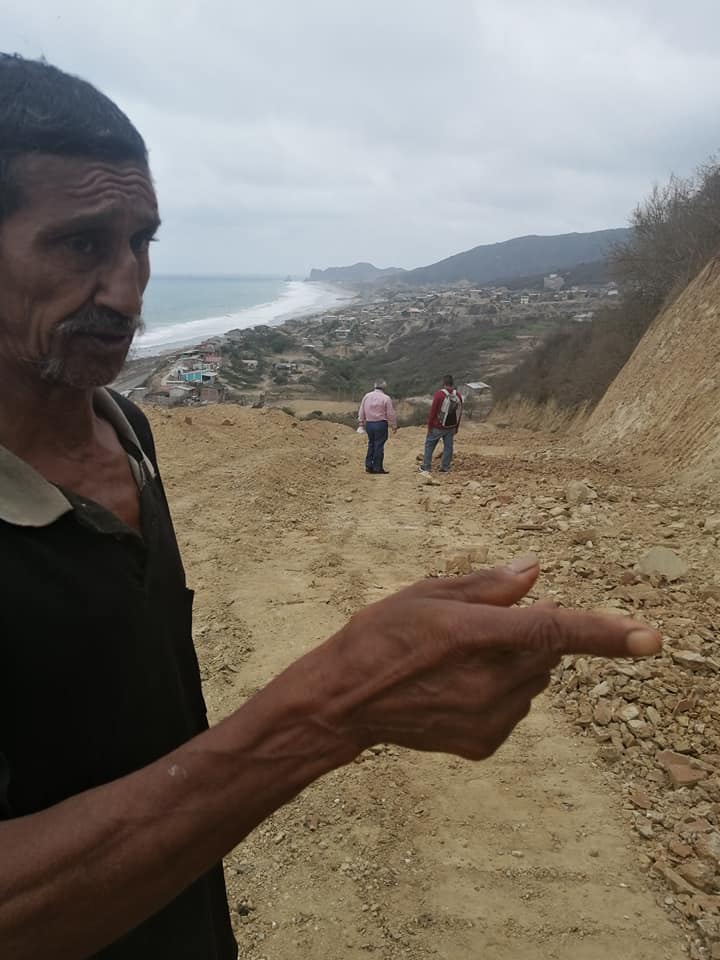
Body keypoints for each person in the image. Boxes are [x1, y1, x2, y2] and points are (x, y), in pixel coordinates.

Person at [0, 54, 663, 960]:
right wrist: (329, 708)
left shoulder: (131, 435)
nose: (127, 288)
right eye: (82, 244)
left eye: (141, 242)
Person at [420, 374, 463, 474]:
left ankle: (426, 467)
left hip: (437, 426)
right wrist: (456, 427)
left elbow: (433, 412)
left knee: (429, 445)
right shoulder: (458, 396)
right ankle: (445, 467)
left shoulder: (439, 394)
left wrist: (430, 426)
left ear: (444, 383)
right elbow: (459, 413)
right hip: (451, 426)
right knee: (448, 447)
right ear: (452, 383)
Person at [357, 379, 397, 474]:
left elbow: (361, 410)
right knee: (379, 445)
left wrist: (361, 422)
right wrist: (393, 425)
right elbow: (390, 413)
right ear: (384, 387)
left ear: (374, 386)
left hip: (369, 424)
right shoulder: (386, 398)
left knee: (371, 443)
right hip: (381, 424)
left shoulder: (367, 396)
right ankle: (377, 467)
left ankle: (368, 465)